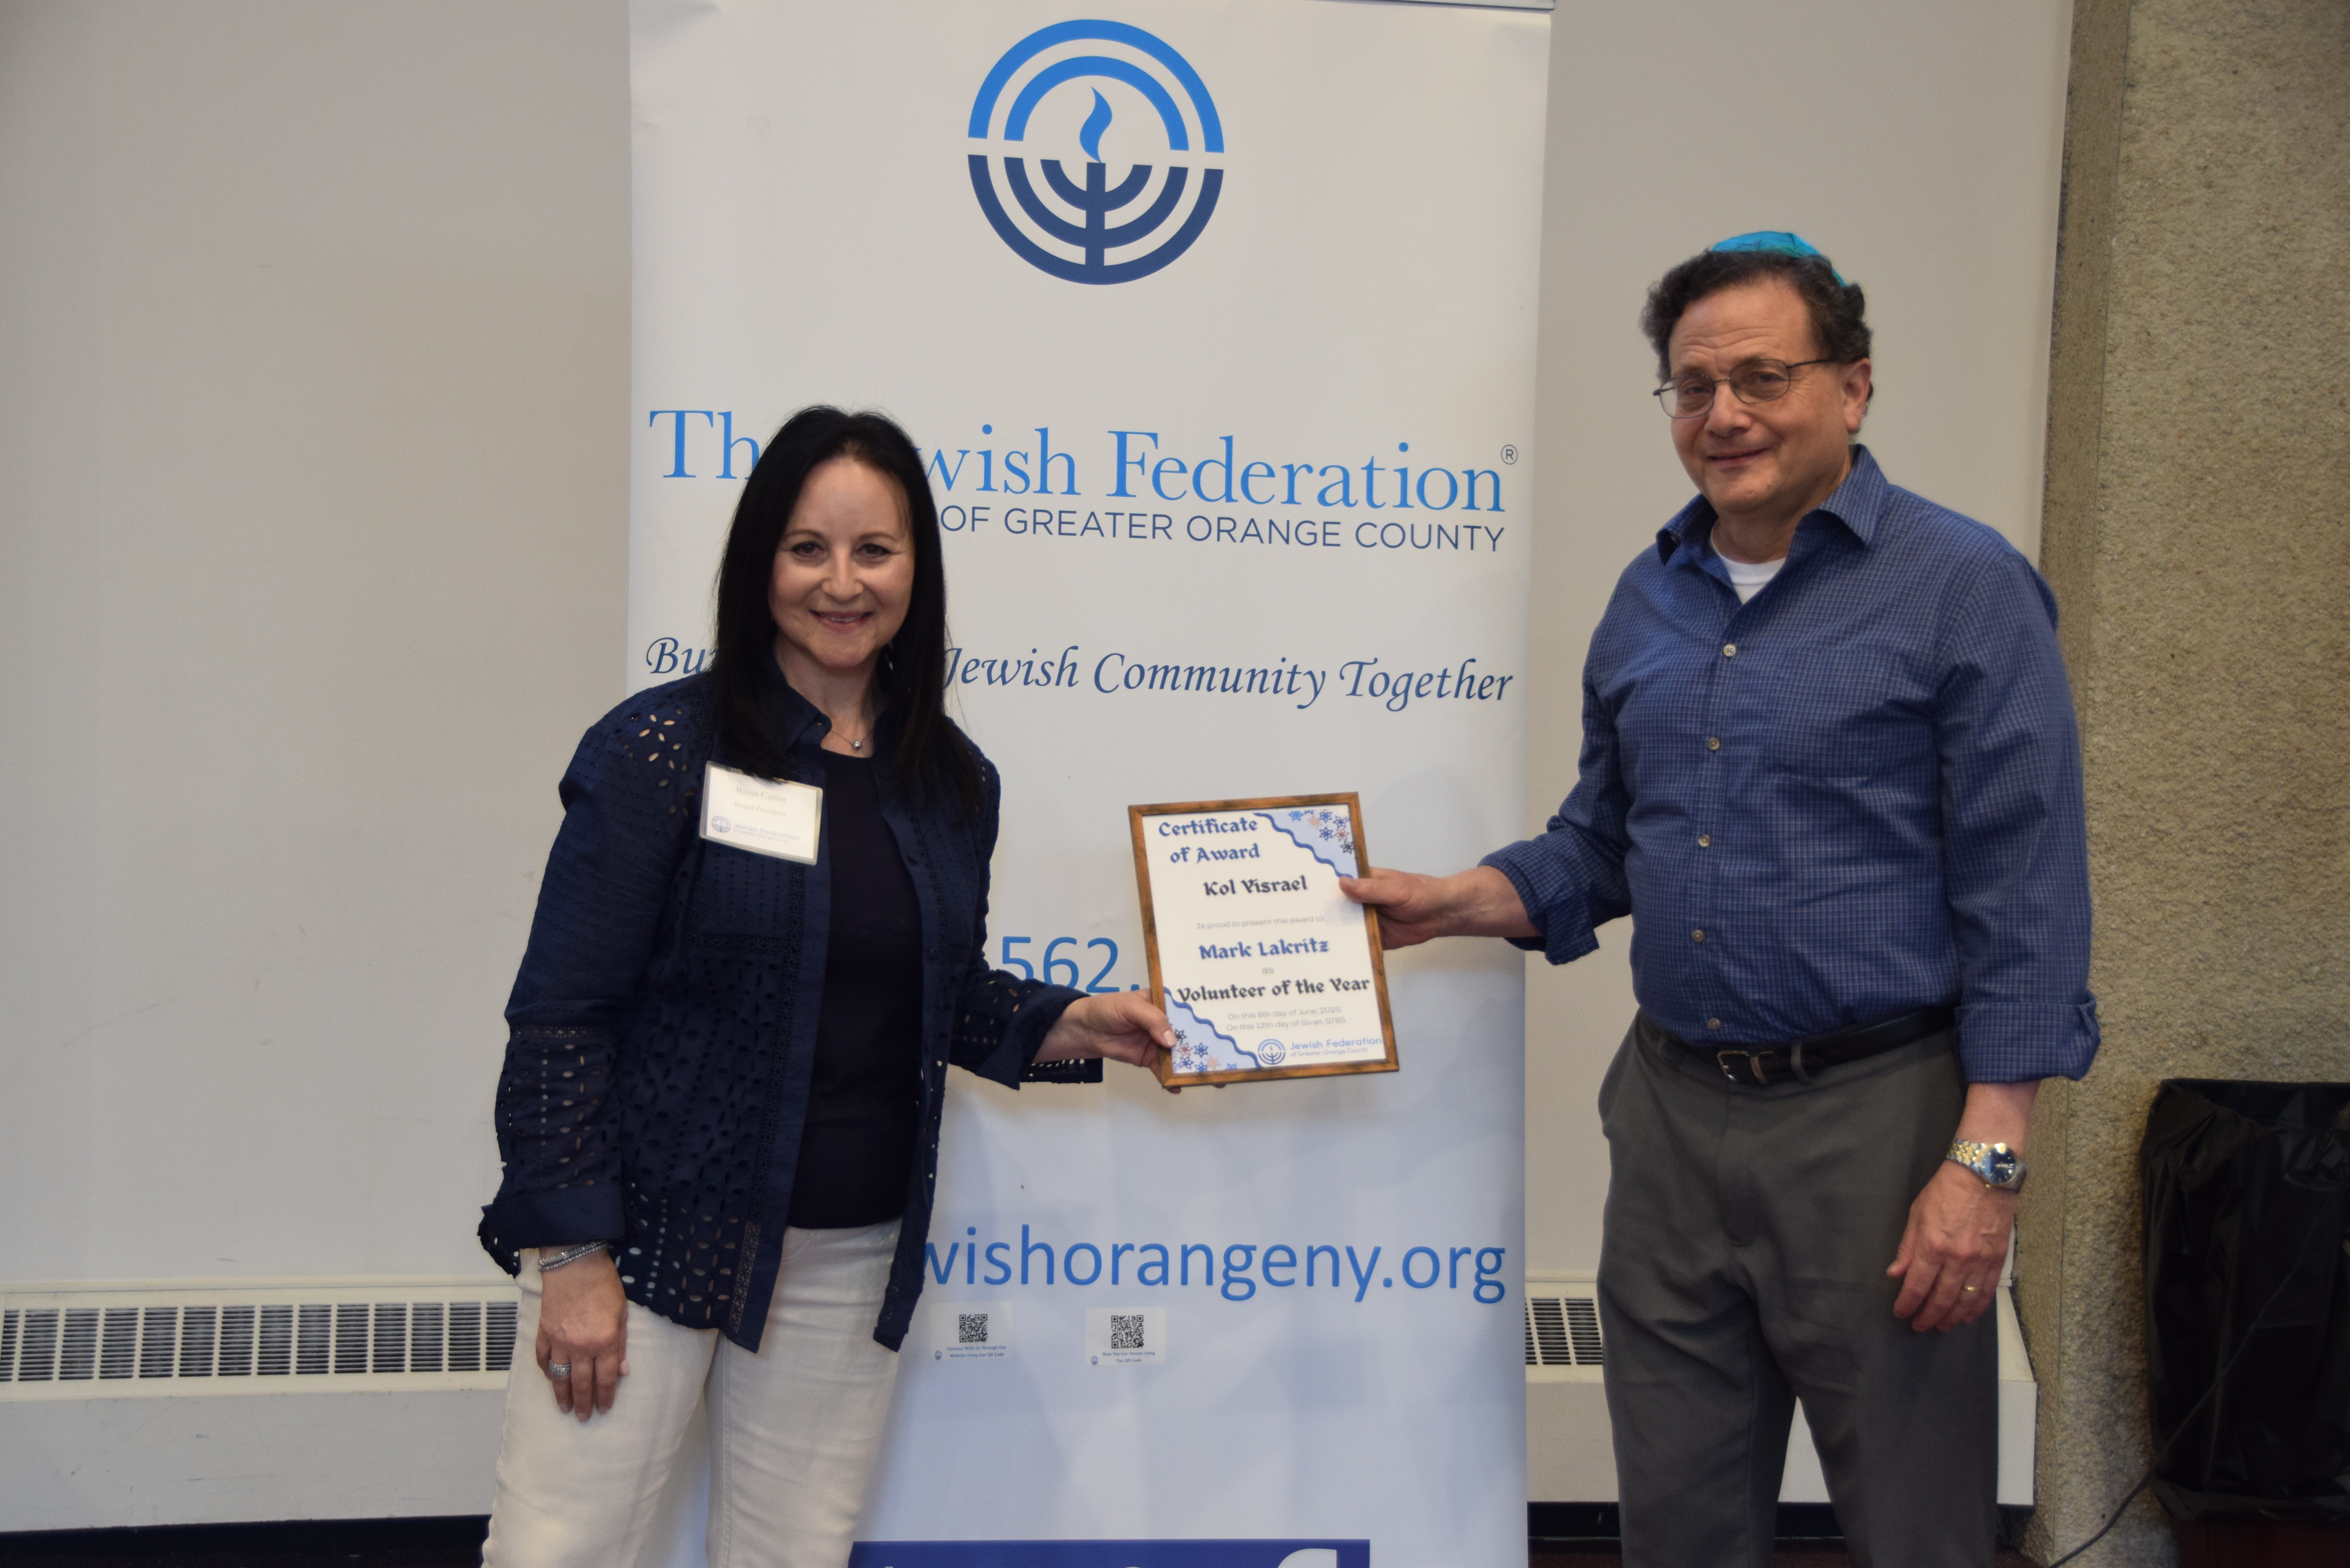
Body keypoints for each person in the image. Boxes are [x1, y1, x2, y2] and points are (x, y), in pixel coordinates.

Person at [1344, 234, 2096, 1567]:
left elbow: (2025, 887)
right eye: (1693, 387)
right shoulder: (1652, 595)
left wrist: (1987, 1166)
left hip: (1880, 1122)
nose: (1724, 414)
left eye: (1762, 377)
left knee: (1915, 1529)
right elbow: (1604, 840)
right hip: (1672, 1116)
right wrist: (1455, 902)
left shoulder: (1962, 586)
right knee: (1677, 1525)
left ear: (1852, 387)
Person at [475, 406, 1173, 1567]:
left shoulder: (951, 781)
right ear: (760, 563)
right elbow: (562, 1016)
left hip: (851, 1253)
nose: (842, 583)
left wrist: (1085, 1023)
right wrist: (574, 1257)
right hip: (652, 1244)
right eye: (808, 548)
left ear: (916, 571)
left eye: (874, 551)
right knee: (559, 1554)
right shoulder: (661, 751)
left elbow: (942, 997)